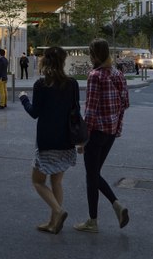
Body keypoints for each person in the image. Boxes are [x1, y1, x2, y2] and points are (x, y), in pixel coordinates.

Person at [18, 46, 80, 234]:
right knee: (57, 182)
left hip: (47, 142)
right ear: (63, 62)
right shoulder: (72, 84)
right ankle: (53, 223)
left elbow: (34, 113)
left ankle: (58, 212)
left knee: (37, 181)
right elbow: (76, 112)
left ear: (45, 61)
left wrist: (23, 99)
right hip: (67, 140)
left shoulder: (41, 85)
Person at [74, 38, 130, 233]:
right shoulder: (118, 75)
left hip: (96, 133)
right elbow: (124, 105)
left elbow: (90, 110)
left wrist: (82, 139)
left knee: (92, 175)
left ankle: (109, 209)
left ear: (95, 55)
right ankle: (95, 219)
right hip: (110, 133)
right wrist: (117, 129)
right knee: (94, 174)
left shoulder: (95, 75)